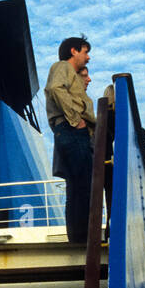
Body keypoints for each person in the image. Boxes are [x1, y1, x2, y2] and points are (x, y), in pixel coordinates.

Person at [45, 36, 95, 244]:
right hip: (72, 131)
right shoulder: (62, 66)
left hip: (71, 131)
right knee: (82, 185)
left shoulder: (70, 73)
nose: (88, 57)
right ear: (74, 51)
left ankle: (78, 236)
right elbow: (55, 88)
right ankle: (81, 238)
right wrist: (76, 120)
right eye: (85, 51)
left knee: (78, 186)